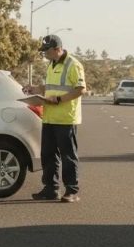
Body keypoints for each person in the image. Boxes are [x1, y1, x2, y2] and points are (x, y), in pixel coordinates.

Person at [23, 34, 86, 203]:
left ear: (57, 49)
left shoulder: (73, 64)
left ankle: (72, 191)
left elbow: (80, 89)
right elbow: (49, 87)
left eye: (47, 51)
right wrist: (34, 89)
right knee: (48, 155)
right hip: (49, 117)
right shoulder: (51, 65)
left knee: (68, 156)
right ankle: (51, 189)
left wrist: (59, 100)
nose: (44, 54)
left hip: (66, 119)